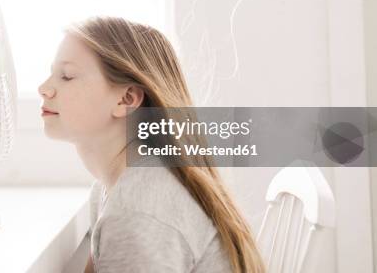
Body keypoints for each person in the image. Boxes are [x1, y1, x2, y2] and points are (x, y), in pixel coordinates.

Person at [37, 16, 266, 273]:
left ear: (126, 99)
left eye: (66, 76)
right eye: (52, 74)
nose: (44, 88)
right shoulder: (110, 189)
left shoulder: (136, 212)